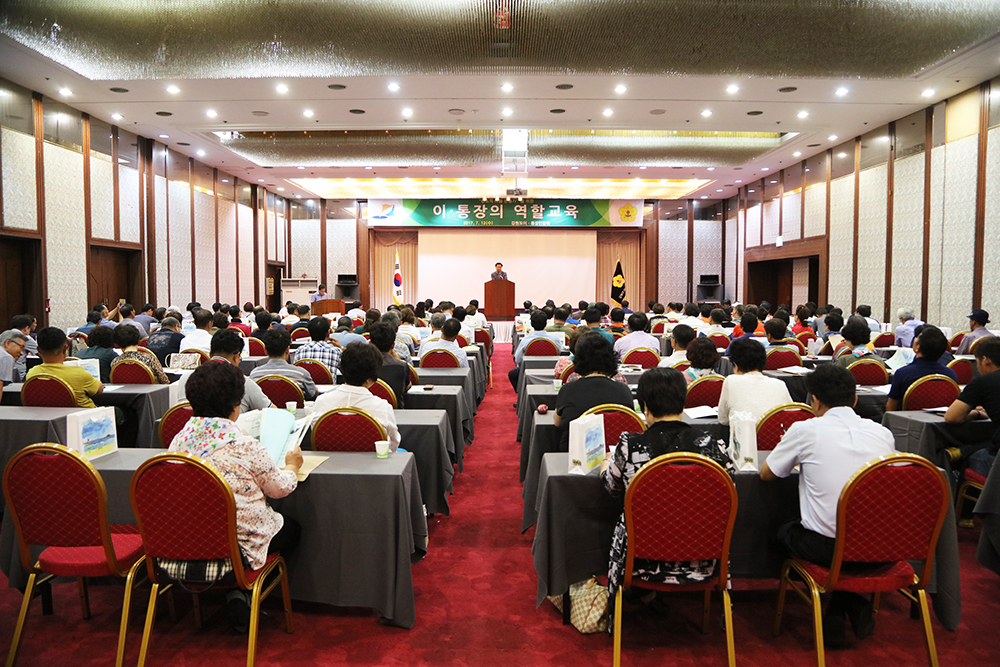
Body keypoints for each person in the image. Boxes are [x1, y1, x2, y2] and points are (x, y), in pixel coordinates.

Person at [761, 363, 895, 648]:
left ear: (814, 400)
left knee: (777, 525)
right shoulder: (882, 433)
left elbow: (767, 474)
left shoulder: (805, 429)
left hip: (827, 549)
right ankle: (842, 607)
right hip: (885, 546)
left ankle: (814, 598)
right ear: (855, 399)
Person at [168, 360, 301, 631]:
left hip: (188, 540)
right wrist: (292, 467)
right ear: (236, 405)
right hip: (237, 549)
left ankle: (234, 592)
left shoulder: (177, 441)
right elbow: (279, 489)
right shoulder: (247, 446)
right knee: (294, 528)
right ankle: (245, 587)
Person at [602, 367, 734, 626]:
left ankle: (641, 593)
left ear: (645, 406)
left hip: (641, 558)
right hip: (705, 554)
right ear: (683, 402)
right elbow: (729, 490)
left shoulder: (631, 444)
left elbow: (611, 488)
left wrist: (610, 464)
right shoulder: (713, 444)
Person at [314, 342, 401, 451]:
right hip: (374, 466)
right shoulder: (382, 407)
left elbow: (317, 437)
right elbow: (393, 445)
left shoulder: (321, 402)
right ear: (371, 378)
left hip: (329, 464)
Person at [553, 333, 633, 449]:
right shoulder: (623, 390)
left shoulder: (568, 390)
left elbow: (557, 423)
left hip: (574, 454)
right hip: (614, 454)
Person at [945, 337, 1000, 477]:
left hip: (996, 459)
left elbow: (952, 417)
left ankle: (964, 496)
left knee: (961, 457)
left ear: (985, 360)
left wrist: (976, 413)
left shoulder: (983, 382)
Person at [717, 337, 792, 426]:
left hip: (744, 438)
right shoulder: (780, 384)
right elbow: (790, 415)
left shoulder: (731, 381)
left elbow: (723, 420)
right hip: (776, 438)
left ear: (736, 366)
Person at [26, 327, 103, 408]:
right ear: (65, 348)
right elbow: (99, 390)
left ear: (38, 350)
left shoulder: (32, 374)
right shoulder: (79, 373)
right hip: (82, 416)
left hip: (49, 416)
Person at [885, 325, 957, 411]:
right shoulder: (951, 374)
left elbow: (890, 409)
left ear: (917, 347)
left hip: (908, 421)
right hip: (941, 421)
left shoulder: (903, 373)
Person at [205, 329, 273, 412]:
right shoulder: (242, 382)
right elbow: (272, 411)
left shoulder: (188, 379)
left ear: (209, 354)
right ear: (236, 357)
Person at [248, 328, 317, 399]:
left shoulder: (254, 375)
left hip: (265, 410)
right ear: (287, 350)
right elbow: (313, 393)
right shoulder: (301, 374)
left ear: (265, 351)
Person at [508, 311, 564, 389]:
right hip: (552, 370)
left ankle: (522, 397)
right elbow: (560, 354)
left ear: (531, 324)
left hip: (529, 371)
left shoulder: (525, 340)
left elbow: (517, 359)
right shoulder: (555, 339)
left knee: (512, 374)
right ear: (546, 323)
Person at [369, 321, 410, 407]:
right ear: (393, 346)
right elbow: (407, 387)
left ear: (370, 344)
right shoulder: (402, 366)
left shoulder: (360, 365)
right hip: (395, 413)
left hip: (367, 413)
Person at [8, 314, 38, 383]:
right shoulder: (25, 338)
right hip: (19, 373)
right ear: (26, 328)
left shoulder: (4, 334)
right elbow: (41, 352)